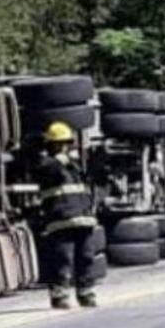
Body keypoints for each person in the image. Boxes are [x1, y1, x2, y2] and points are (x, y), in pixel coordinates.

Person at [36, 121, 101, 310]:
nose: (64, 147)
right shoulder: (46, 164)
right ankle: (60, 295)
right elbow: (48, 172)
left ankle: (86, 293)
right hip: (61, 221)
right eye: (60, 143)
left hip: (82, 218)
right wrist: (61, 160)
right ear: (51, 145)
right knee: (63, 259)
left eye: (66, 143)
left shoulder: (74, 165)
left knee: (86, 257)